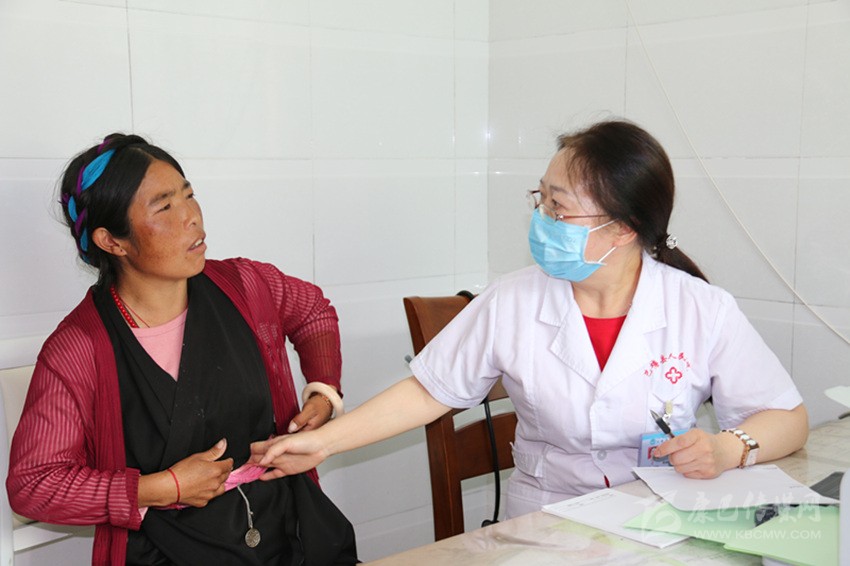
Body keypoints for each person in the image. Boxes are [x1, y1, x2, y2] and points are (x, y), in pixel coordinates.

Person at [250, 119, 809, 519]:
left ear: (623, 228)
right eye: (540, 200)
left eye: (558, 207)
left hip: (661, 514)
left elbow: (786, 417)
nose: (541, 218)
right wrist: (325, 444)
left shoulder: (700, 308)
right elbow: (429, 391)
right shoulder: (513, 299)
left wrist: (727, 449)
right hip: (546, 518)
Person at [6, 134, 358, 565]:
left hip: (288, 534)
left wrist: (323, 393)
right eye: (164, 207)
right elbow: (35, 485)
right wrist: (160, 488)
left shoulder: (245, 287)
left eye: (189, 195)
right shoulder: (78, 350)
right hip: (163, 553)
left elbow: (313, 312)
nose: (192, 217)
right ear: (112, 241)